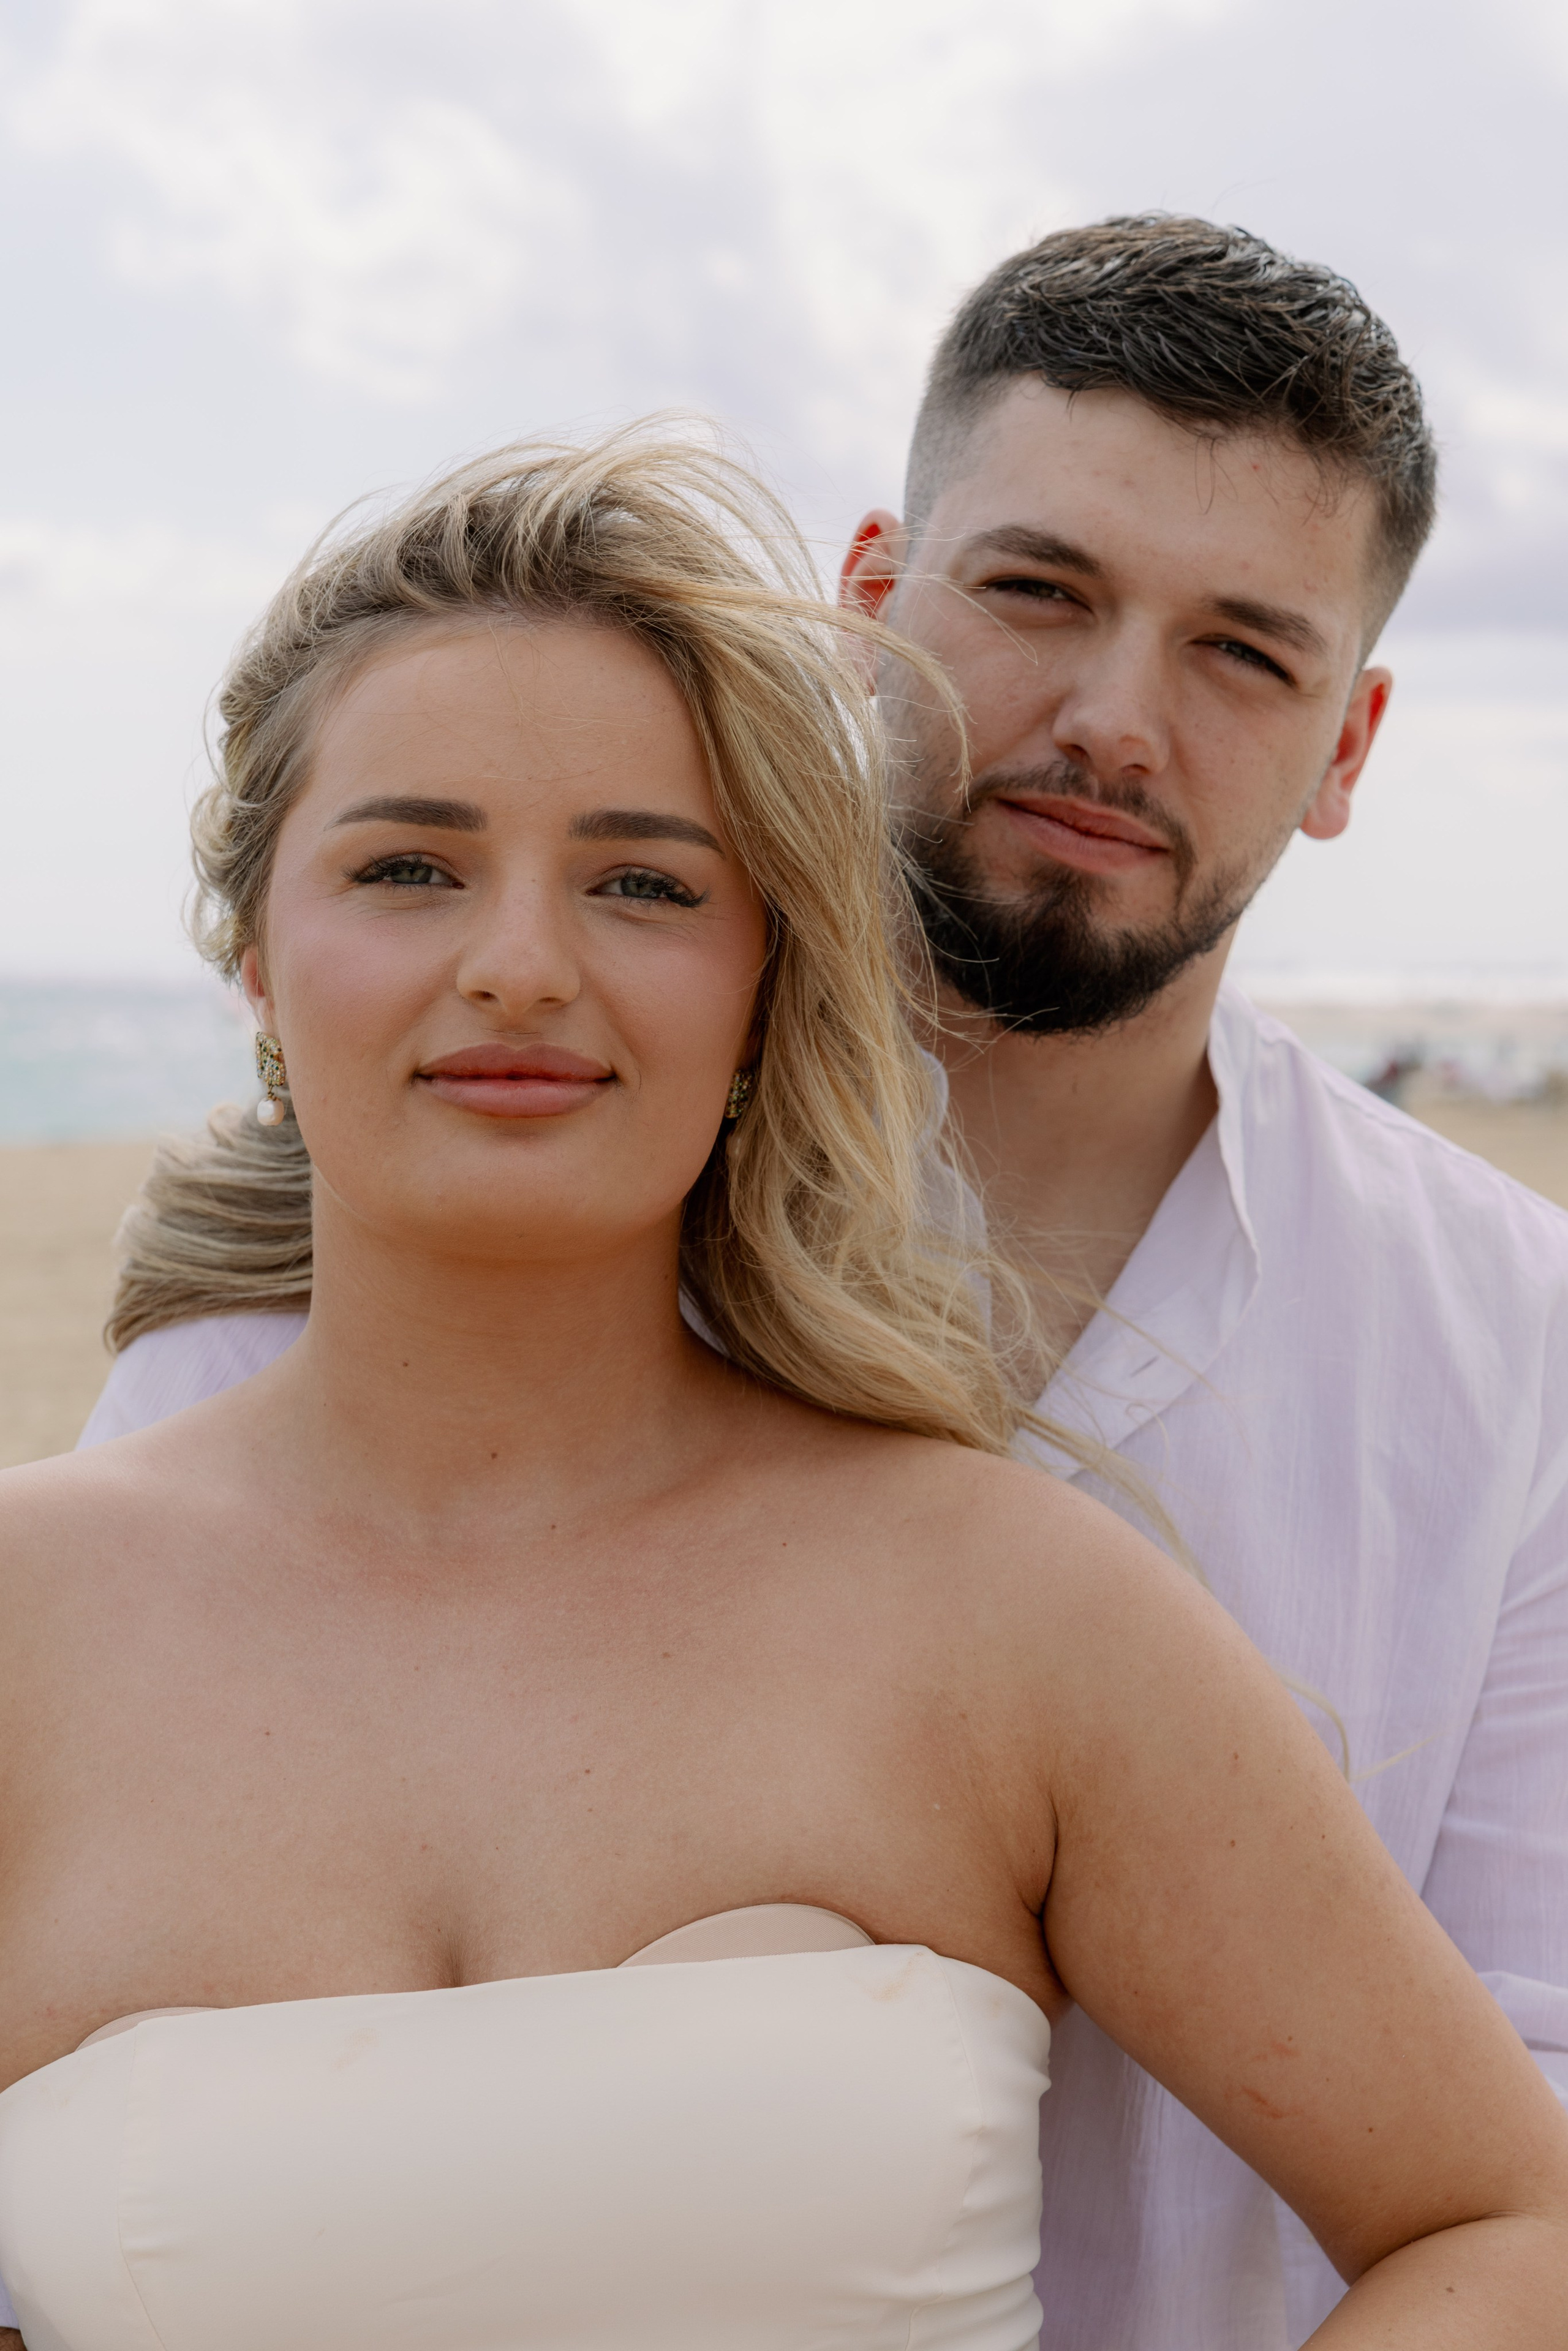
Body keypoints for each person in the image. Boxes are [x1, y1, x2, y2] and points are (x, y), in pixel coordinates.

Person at [72, 217, 1568, 2350]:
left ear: (1352, 742)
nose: (1112, 718)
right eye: (1038, 593)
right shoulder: (328, 1331)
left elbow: (1524, 2142)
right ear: (875, 601)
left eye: (1246, 651)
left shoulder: (1509, 1343)